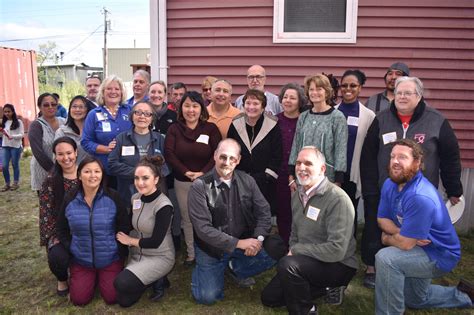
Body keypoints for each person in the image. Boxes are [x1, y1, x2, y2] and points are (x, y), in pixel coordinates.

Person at [360, 76, 463, 289]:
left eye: (408, 93)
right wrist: (370, 189)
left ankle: (408, 268)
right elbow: (368, 156)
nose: (402, 97)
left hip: (418, 194)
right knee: (375, 224)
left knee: (416, 234)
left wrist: (454, 189)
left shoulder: (436, 121)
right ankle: (372, 266)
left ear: (419, 96)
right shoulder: (381, 119)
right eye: (399, 93)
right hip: (384, 187)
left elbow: (450, 156)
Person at [375, 139, 473, 314]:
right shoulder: (390, 184)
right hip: (416, 246)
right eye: (392, 156)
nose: (395, 161)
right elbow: (382, 220)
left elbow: (405, 245)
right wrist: (400, 232)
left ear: (417, 163)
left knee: (386, 259)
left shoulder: (420, 195)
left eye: (402, 157)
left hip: (438, 253)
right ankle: (466, 296)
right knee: (416, 298)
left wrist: (387, 238)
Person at [261, 146, 358, 315]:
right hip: (308, 261)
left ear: (322, 169)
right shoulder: (298, 195)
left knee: (287, 265)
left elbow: (337, 250)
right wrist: (295, 251)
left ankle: (307, 310)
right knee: (270, 298)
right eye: (298, 163)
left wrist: (297, 251)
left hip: (338, 264)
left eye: (308, 163)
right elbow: (295, 234)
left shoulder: (338, 199)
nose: (301, 167)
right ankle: (327, 289)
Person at [188, 138, 276, 305]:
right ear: (215, 156)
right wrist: (239, 243)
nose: (226, 162)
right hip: (211, 249)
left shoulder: (248, 181)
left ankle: (233, 268)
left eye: (232, 158)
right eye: (222, 157)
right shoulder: (199, 186)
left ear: (238, 160)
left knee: (276, 249)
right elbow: (203, 229)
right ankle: (208, 269)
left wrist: (258, 240)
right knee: (207, 297)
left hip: (242, 244)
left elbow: (264, 212)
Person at [56, 156, 131, 306]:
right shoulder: (70, 198)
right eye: (87, 171)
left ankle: (103, 277)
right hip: (81, 259)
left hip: (110, 259)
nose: (92, 175)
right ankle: (88, 278)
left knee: (112, 297)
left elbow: (124, 226)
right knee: (79, 300)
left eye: (97, 171)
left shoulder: (113, 196)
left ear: (102, 174)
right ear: (79, 175)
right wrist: (71, 247)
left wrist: (118, 248)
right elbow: (62, 228)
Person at [164, 91, 222, 265]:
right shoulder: (174, 128)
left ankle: (213, 250)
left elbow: (216, 153)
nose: (191, 110)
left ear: (201, 109)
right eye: (187, 105)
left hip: (209, 181)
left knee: (212, 216)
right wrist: (185, 172)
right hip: (183, 181)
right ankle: (192, 254)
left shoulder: (210, 128)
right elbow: (169, 153)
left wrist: (203, 173)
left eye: (195, 106)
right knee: (187, 218)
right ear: (181, 108)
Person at [114, 156, 175, 307]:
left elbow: (155, 242)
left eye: (145, 178)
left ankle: (158, 276)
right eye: (136, 178)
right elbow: (129, 224)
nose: (140, 183)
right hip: (137, 254)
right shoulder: (135, 198)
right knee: (123, 301)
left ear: (156, 179)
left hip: (160, 256)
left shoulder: (164, 205)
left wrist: (129, 241)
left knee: (121, 283)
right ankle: (153, 279)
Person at [227, 89, 282, 215]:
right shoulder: (236, 123)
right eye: (248, 103)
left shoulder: (272, 124)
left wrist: (264, 177)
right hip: (239, 181)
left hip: (265, 182)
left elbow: (277, 155)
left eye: (256, 103)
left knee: (261, 217)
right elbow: (230, 151)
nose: (251, 107)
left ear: (263, 107)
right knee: (241, 217)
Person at [335, 70, 375, 236]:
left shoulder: (368, 116)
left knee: (350, 209)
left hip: (352, 173)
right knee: (332, 210)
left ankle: (348, 244)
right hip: (333, 173)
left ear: (360, 88)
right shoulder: (332, 111)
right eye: (344, 85)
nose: (348, 89)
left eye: (353, 85)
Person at [288, 73, 348, 186]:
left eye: (319, 89)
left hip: (326, 178)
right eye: (311, 89)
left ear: (327, 92)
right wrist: (291, 175)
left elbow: (341, 150)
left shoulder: (337, 117)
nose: (314, 93)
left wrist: (338, 180)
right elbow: (296, 145)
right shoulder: (303, 116)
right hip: (302, 176)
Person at [39, 137, 79, 296]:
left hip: (85, 227)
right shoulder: (51, 180)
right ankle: (62, 279)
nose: (66, 157)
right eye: (60, 154)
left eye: (69, 153)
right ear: (55, 156)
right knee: (58, 255)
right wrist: (52, 238)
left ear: (76, 152)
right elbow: (46, 214)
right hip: (60, 230)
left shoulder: (87, 174)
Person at [108, 101, 169, 205]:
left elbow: (167, 166)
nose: (142, 116)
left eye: (147, 114)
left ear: (152, 119)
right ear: (132, 116)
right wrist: (137, 173)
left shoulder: (160, 139)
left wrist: (150, 176)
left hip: (155, 195)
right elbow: (112, 164)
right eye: (138, 112)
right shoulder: (121, 138)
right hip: (128, 194)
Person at [81, 75, 132, 189]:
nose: (113, 92)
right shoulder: (93, 114)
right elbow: (85, 141)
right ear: (103, 92)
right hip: (105, 168)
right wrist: (105, 149)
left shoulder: (130, 111)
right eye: (109, 89)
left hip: (128, 167)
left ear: (122, 92)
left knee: (128, 202)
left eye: (117, 89)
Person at [275, 83, 306, 245]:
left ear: (300, 101)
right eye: (285, 97)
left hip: (302, 173)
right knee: (284, 211)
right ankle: (285, 243)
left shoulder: (306, 120)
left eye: (292, 98)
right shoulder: (274, 120)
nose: (288, 100)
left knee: (302, 211)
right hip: (280, 173)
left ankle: (301, 244)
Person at [29, 93, 66, 192]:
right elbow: (38, 152)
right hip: (43, 170)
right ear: (39, 107)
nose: (50, 107)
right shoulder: (36, 126)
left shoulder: (64, 122)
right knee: (47, 204)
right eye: (46, 105)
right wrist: (55, 171)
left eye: (53, 104)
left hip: (64, 170)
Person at [55, 95, 91, 164]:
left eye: (81, 107)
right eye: (74, 106)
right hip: (70, 172)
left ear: (87, 110)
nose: (77, 110)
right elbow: (57, 157)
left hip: (91, 172)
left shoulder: (93, 131)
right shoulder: (62, 132)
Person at [1, 104, 24, 191]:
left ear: (13, 112)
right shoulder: (4, 122)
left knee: (15, 164)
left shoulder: (19, 122)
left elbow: (22, 134)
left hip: (15, 146)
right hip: (5, 146)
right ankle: (7, 183)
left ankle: (15, 183)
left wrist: (12, 136)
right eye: (5, 112)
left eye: (8, 111)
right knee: (4, 166)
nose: (7, 113)